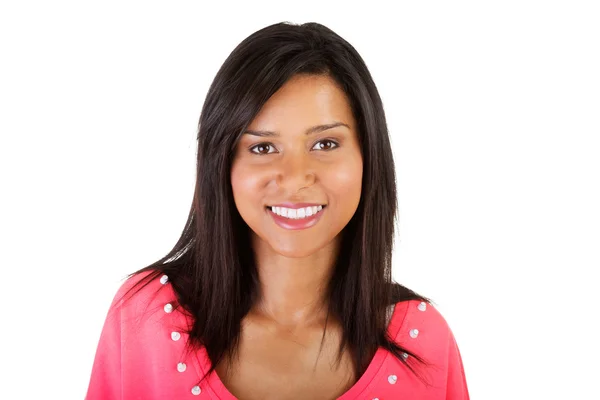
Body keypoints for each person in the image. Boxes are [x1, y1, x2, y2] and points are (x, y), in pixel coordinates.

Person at [85, 21, 469, 400]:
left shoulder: (422, 342)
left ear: (368, 156)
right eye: (263, 148)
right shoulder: (145, 316)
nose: (295, 178)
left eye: (325, 144)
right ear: (223, 164)